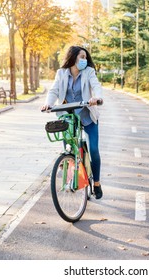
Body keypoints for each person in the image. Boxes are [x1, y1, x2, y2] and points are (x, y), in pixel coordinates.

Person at [41, 46, 104, 199]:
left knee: (94, 149)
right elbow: (54, 90)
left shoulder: (88, 72)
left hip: (87, 115)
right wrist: (48, 104)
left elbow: (96, 86)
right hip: (69, 116)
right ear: (73, 57)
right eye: (82, 57)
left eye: (85, 57)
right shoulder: (61, 73)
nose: (85, 60)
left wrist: (96, 98)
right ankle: (71, 178)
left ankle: (96, 183)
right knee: (69, 149)